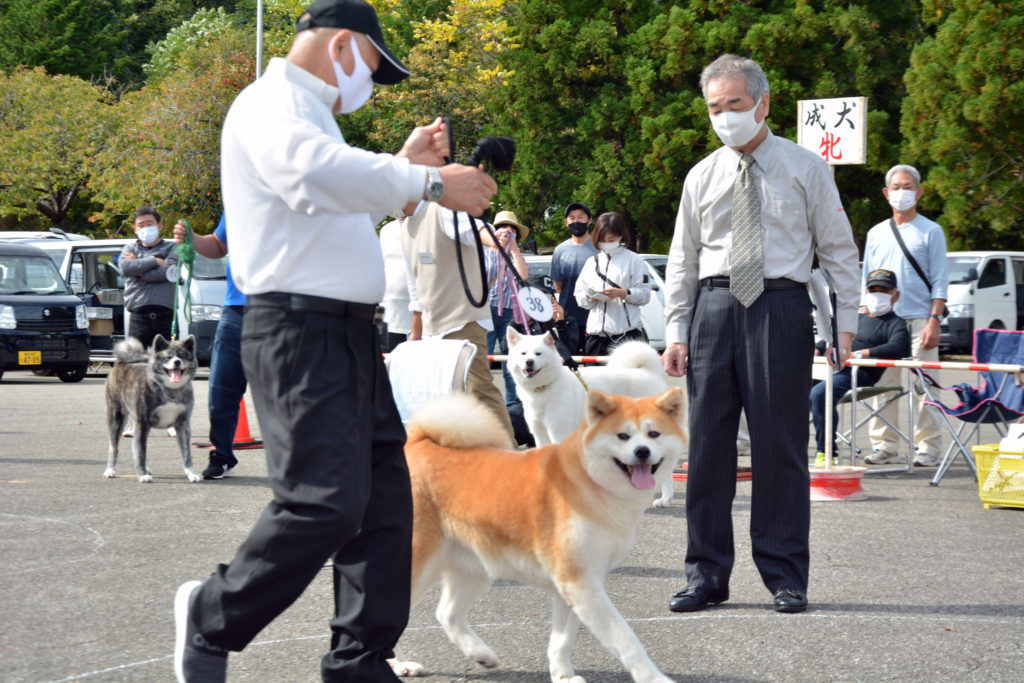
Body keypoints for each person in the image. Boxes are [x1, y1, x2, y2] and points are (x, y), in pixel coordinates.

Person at [172, 1, 497, 681]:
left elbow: (331, 192)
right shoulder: (270, 105)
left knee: (384, 506)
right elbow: (311, 174)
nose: (371, 86)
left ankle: (358, 659)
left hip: (348, 336)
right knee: (322, 503)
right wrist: (430, 179)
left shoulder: (311, 117)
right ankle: (212, 613)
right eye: (375, 69)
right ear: (345, 45)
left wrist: (400, 164)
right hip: (296, 330)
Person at [662, 54, 860, 615]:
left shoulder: (806, 168)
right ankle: (704, 575)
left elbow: (839, 251)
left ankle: (785, 576)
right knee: (707, 449)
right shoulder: (701, 174)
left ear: (763, 104)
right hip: (715, 305)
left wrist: (843, 326)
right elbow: (683, 257)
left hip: (780, 304)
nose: (724, 118)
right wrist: (677, 328)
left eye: (735, 105)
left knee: (779, 447)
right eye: (714, 108)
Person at [401, 201, 517, 444]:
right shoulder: (404, 226)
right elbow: (415, 285)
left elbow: (474, 227)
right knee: (444, 398)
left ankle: (510, 456)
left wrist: (493, 240)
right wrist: (416, 332)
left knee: (479, 390)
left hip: (464, 321)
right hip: (433, 328)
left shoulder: (440, 209)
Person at [860, 164, 949, 467]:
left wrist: (934, 320)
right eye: (896, 187)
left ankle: (929, 447)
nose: (902, 192)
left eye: (908, 186)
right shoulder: (876, 233)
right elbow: (867, 279)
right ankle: (884, 445)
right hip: (883, 322)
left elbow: (939, 279)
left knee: (925, 387)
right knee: (881, 387)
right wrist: (865, 315)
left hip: (920, 320)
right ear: (886, 193)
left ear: (919, 192)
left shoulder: (931, 231)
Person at [810, 269, 910, 463]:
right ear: (866, 292)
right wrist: (816, 350)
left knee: (820, 394)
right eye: (873, 290)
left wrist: (857, 354)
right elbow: (829, 339)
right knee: (789, 387)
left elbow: (897, 347)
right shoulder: (856, 318)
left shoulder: (896, 323)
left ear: (895, 295)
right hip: (830, 368)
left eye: (884, 290)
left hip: (858, 373)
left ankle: (827, 452)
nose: (877, 294)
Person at [173, 215, 244, 480]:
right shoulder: (238, 194)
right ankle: (222, 454)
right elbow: (218, 245)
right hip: (235, 308)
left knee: (284, 392)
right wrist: (192, 238)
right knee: (221, 389)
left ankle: (298, 458)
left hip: (282, 306)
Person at [573, 211, 651, 357]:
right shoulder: (592, 262)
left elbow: (645, 295)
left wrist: (623, 293)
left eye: (611, 239)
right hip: (595, 337)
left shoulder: (634, 260)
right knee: (594, 379)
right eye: (603, 239)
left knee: (625, 379)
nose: (607, 243)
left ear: (621, 236)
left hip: (625, 336)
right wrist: (592, 297)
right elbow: (579, 295)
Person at [484, 210, 530, 405]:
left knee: (511, 363)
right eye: (503, 227)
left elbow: (524, 277)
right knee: (481, 359)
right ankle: (483, 405)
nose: (508, 231)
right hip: (484, 310)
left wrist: (515, 250)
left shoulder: (515, 254)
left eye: (513, 229)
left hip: (510, 312)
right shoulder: (484, 252)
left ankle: (512, 406)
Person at [121, 207, 178, 348]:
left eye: (149, 223)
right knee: (136, 363)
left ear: (159, 226)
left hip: (166, 316)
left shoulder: (173, 247)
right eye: (141, 225)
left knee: (168, 363)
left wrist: (139, 271)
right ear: (135, 229)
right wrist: (155, 261)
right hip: (138, 317)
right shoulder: (130, 248)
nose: (145, 228)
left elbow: (167, 272)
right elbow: (126, 268)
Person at [551, 201, 598, 354]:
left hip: (594, 316)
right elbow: (558, 285)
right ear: (566, 222)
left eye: (580, 217)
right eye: (572, 218)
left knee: (593, 367)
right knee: (568, 366)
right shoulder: (560, 250)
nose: (576, 221)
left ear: (589, 220)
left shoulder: (599, 248)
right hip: (567, 318)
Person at [378, 218, 413, 352]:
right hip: (388, 312)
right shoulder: (387, 229)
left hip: (419, 314)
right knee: (387, 365)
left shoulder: (428, 225)